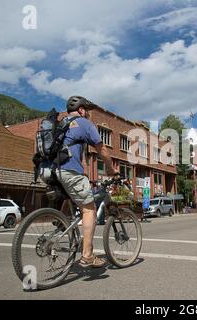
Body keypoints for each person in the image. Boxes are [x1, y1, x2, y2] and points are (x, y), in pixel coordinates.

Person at [57, 96, 119, 268]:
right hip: (69, 170)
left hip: (52, 171)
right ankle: (87, 255)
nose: (89, 115)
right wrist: (110, 169)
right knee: (89, 209)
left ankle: (60, 221)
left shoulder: (61, 124)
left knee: (72, 193)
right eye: (88, 111)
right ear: (82, 110)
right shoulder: (83, 123)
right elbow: (102, 149)